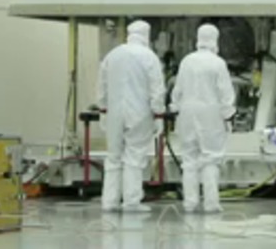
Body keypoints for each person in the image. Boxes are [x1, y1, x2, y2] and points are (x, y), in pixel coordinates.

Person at [96, 20, 166, 213]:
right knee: (134, 157)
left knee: (113, 157)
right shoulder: (149, 57)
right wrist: (159, 114)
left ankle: (109, 202)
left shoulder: (112, 55)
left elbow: (101, 85)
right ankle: (131, 202)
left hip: (114, 113)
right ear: (147, 34)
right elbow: (157, 89)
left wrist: (103, 109)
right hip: (139, 113)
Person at [171, 24, 237, 214]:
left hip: (187, 114)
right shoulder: (217, 63)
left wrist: (175, 108)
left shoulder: (187, 61)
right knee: (211, 158)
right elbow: (226, 94)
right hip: (210, 114)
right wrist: (228, 116)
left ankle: (189, 203)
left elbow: (177, 90)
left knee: (189, 159)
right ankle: (211, 204)